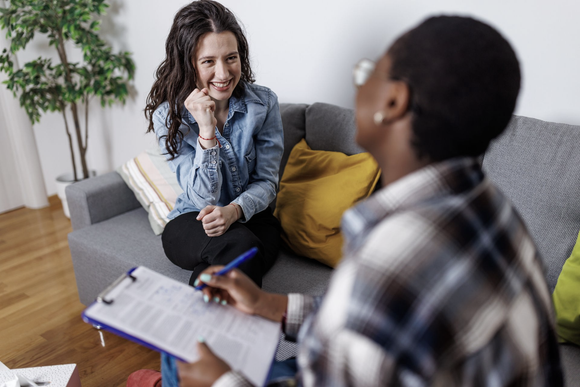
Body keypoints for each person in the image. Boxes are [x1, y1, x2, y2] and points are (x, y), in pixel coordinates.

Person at [159, 15, 564, 387]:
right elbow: (376, 321)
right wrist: (272, 306)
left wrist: (221, 381)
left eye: (367, 72)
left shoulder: (394, 249)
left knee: (178, 362)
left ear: (393, 101)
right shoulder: (492, 210)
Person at [144, 0, 284, 288]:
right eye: (208, 61)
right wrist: (206, 132)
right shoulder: (169, 117)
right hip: (192, 221)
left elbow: (267, 182)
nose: (223, 74)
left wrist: (233, 211)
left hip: (252, 218)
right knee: (242, 247)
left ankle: (192, 319)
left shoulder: (264, 104)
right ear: (189, 63)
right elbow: (201, 200)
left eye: (231, 58)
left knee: (240, 250)